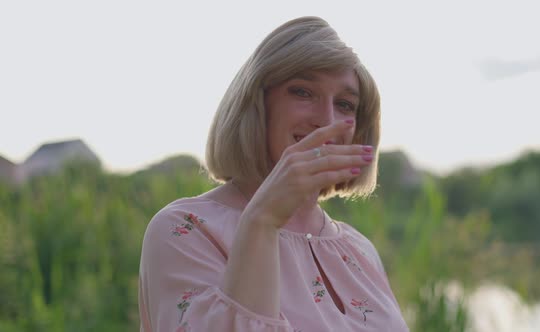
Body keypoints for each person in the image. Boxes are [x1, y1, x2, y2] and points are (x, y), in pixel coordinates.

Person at [138, 16, 409, 331]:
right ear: (257, 104)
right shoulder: (186, 230)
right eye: (303, 92)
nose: (326, 119)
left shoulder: (358, 249)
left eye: (346, 104)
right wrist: (262, 221)